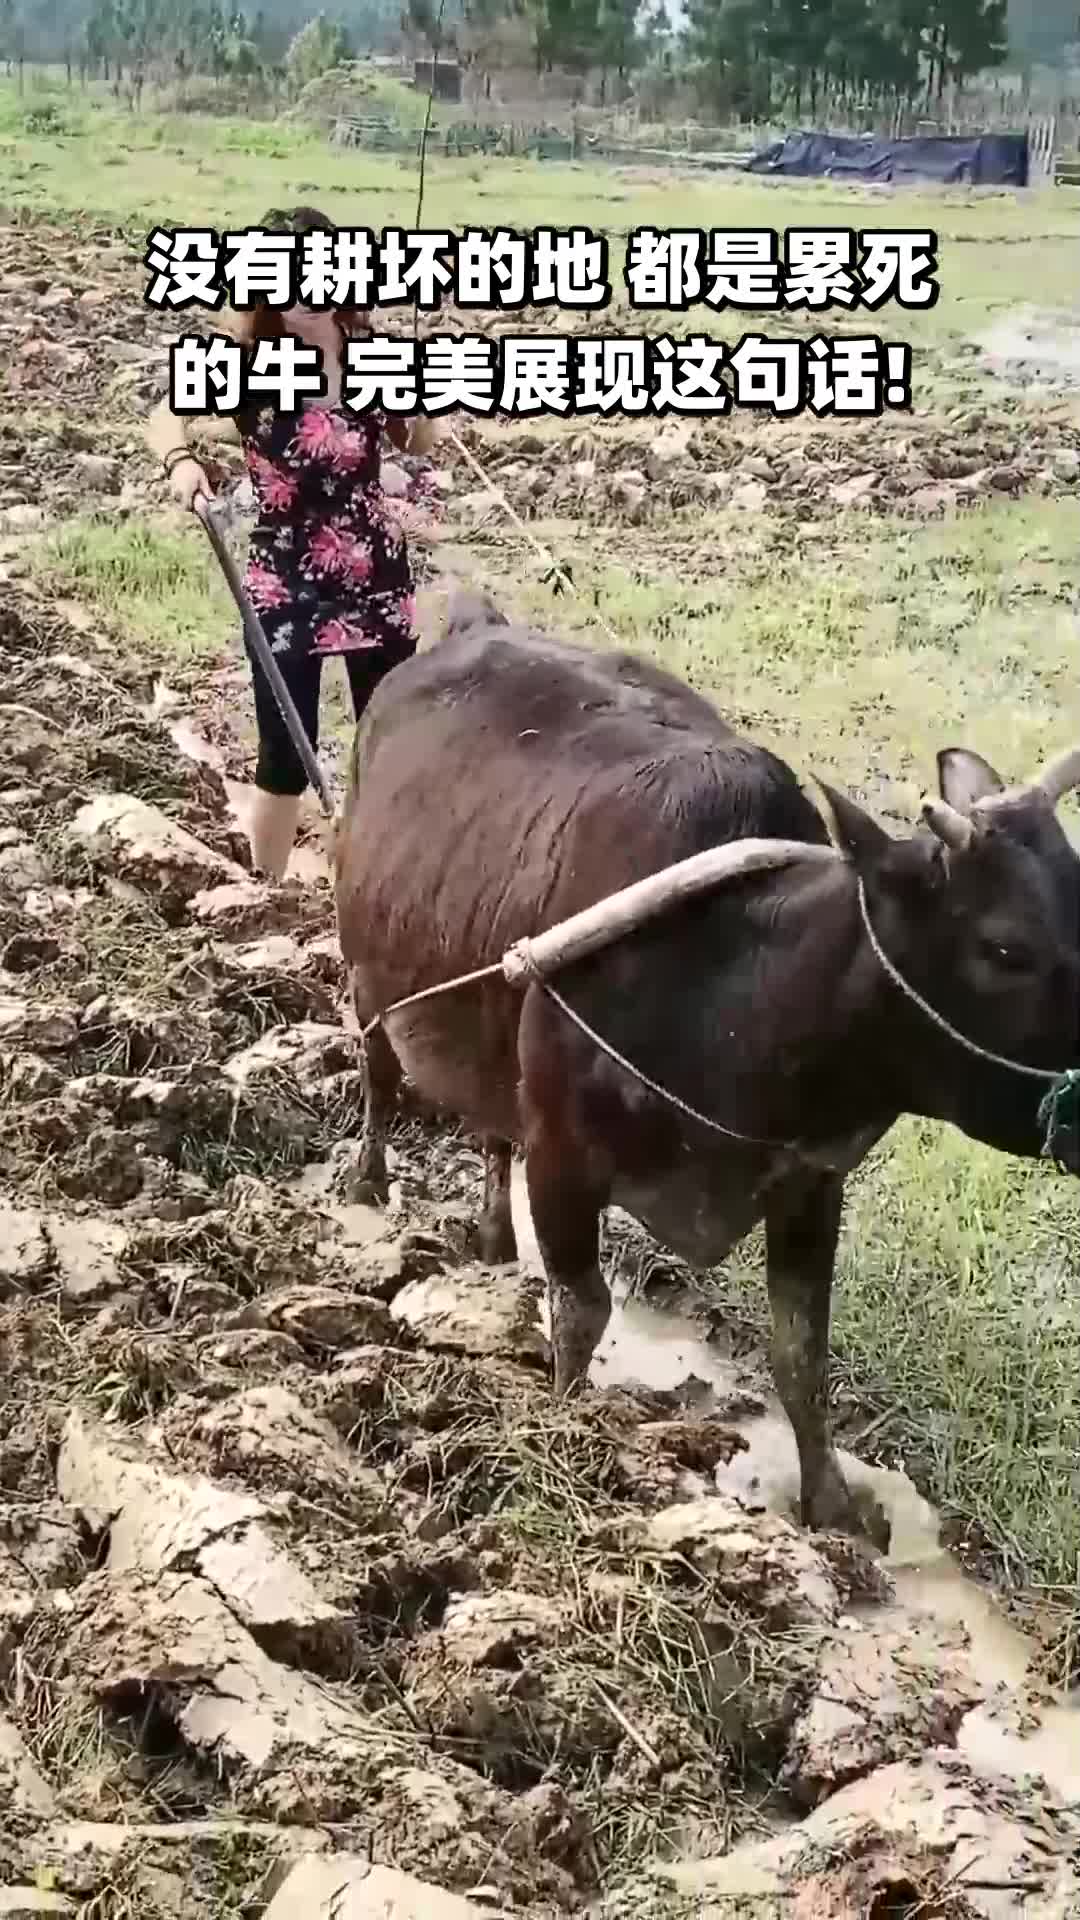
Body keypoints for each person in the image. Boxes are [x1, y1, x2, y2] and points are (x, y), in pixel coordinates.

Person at [145, 203, 440, 882]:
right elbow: (167, 416)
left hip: (376, 573)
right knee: (285, 749)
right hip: (286, 581)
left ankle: (376, 887)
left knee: (387, 740)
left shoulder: (370, 356)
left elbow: (420, 442)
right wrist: (180, 463)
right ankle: (266, 890)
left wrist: (416, 395)